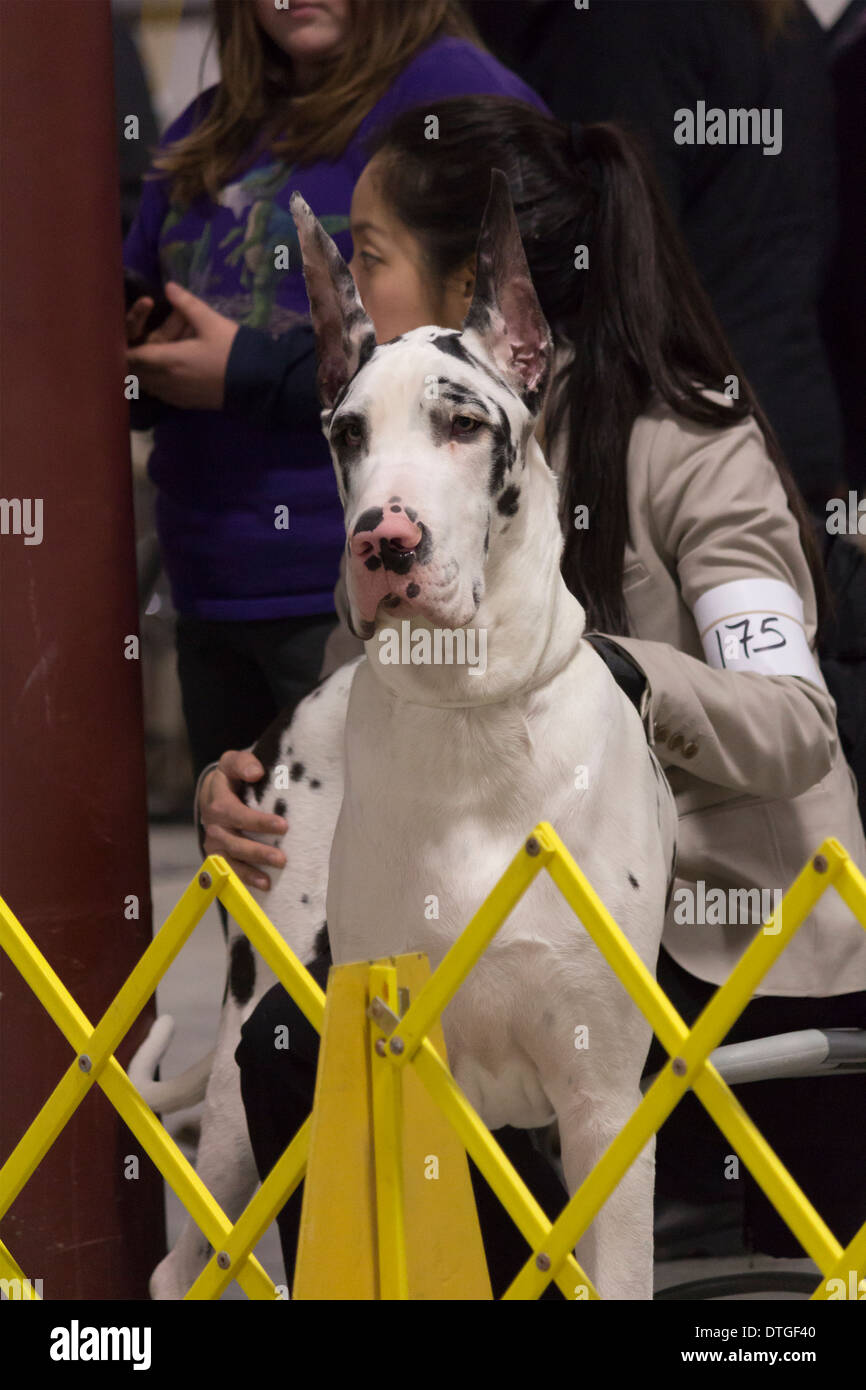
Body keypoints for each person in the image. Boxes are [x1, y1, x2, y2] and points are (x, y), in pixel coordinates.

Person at [197, 95, 866, 1286]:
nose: (345, 291)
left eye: (371, 254)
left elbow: (796, 726)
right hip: (483, 909)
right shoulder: (396, 461)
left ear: (482, 291)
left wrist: (615, 676)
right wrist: (260, 788)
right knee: (297, 1044)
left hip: (712, 942)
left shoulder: (689, 444)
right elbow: (374, 700)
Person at [123, 0, 545, 785]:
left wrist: (245, 371)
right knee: (249, 881)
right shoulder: (205, 123)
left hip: (379, 581)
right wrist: (141, 359)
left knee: (389, 886)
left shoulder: (454, 92)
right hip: (212, 578)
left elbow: (492, 350)